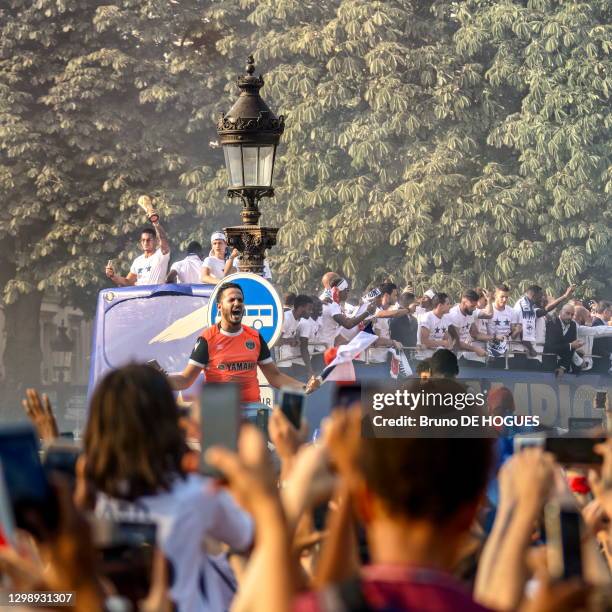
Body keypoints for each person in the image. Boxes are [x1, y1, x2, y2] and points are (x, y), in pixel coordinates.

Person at [83, 364, 254, 612]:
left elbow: (49, 595)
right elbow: (250, 537)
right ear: (169, 421)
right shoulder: (196, 494)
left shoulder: (93, 498)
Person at [168, 282, 320, 404]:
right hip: (220, 412)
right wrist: (158, 379)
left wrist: (304, 387)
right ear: (219, 307)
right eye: (231, 300)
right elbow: (185, 380)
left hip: (252, 409)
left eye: (240, 300)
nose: (237, 303)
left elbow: (275, 377)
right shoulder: (207, 339)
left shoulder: (255, 337)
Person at [106, 220, 171, 286]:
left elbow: (163, 238)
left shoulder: (161, 254)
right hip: (140, 294)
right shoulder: (138, 261)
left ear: (156, 241)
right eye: (143, 240)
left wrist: (156, 223)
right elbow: (127, 282)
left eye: (149, 240)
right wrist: (113, 276)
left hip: (155, 294)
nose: (145, 243)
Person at [318, 277, 377, 349]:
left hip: (324, 348)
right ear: (338, 291)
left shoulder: (334, 305)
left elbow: (348, 321)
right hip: (321, 350)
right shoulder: (333, 305)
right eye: (347, 290)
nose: (348, 293)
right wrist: (367, 312)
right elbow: (348, 324)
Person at [446, 289, 492, 361]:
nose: (474, 309)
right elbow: (455, 343)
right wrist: (475, 349)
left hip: (458, 355)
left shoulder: (471, 313)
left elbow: (475, 334)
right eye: (472, 306)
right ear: (464, 301)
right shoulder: (454, 315)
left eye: (475, 306)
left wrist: (494, 337)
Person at [276, 295, 315, 379]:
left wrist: (295, 340)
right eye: (309, 309)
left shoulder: (297, 319)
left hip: (287, 360)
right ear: (301, 308)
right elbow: (275, 341)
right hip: (281, 363)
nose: (311, 312)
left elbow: (287, 337)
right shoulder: (286, 318)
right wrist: (290, 340)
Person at [544, 304, 583, 377]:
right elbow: (550, 346)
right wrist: (570, 345)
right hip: (549, 364)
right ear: (561, 312)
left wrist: (562, 367)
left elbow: (571, 350)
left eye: (572, 314)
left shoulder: (573, 325)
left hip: (564, 367)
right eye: (567, 313)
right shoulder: (552, 323)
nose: (570, 317)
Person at [417, 292, 452, 360]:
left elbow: (447, 340)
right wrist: (442, 343)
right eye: (447, 304)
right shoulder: (427, 318)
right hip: (424, 358)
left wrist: (446, 343)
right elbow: (424, 342)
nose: (450, 306)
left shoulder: (445, 319)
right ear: (440, 305)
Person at [389, 291, 418, 356]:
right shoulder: (395, 317)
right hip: (398, 356)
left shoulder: (414, 320)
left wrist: (417, 346)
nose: (416, 309)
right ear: (410, 305)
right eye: (415, 305)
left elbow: (413, 340)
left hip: (410, 356)